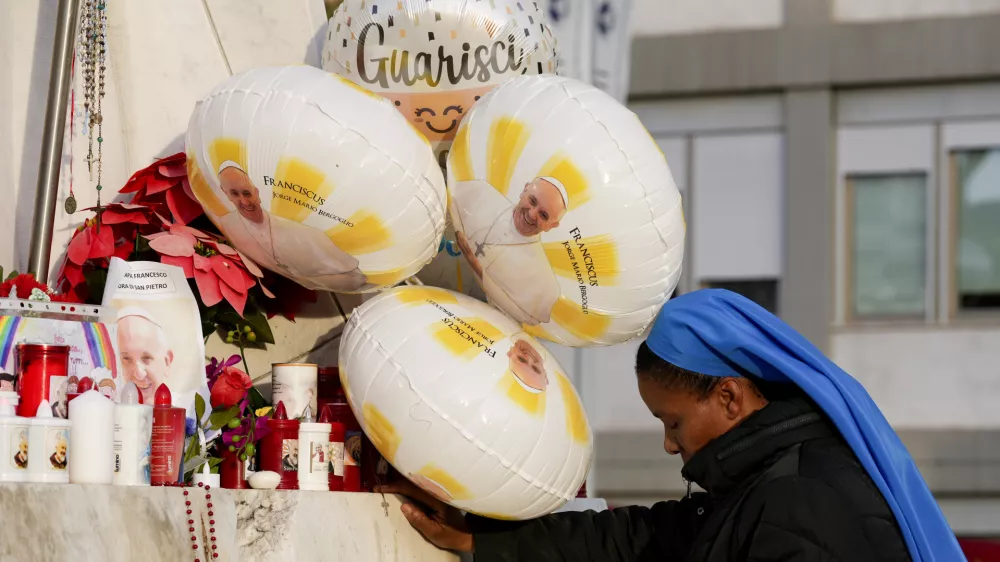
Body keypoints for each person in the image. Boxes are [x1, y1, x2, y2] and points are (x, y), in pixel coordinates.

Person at [378, 289, 964, 562]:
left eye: (673, 420)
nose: (668, 442)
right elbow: (638, 539)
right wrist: (479, 537)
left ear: (730, 398)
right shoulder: (763, 484)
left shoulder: (799, 500)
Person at [214, 161, 368, 292]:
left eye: (247, 194)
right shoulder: (227, 223)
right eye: (234, 193)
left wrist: (309, 281)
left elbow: (356, 279)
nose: (244, 202)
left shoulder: (307, 234)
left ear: (257, 193)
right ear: (225, 193)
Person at [452, 177, 567, 326]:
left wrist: (480, 271)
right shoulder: (480, 192)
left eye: (543, 215)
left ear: (551, 225)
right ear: (524, 190)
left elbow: (520, 318)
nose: (532, 214)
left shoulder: (547, 285)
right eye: (532, 201)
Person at [117, 308, 175, 406]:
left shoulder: (190, 411)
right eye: (126, 359)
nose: (139, 374)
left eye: (147, 358)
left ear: (167, 362)